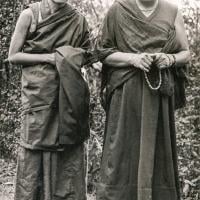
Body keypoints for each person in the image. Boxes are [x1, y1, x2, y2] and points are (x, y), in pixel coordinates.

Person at [97, 0, 190, 200]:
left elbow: (185, 53)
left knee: (157, 154)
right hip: (125, 96)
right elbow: (103, 53)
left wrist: (170, 59)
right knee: (120, 153)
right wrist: (133, 59)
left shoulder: (172, 11)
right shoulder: (117, 9)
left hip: (157, 99)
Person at [8, 0, 91, 199]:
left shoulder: (78, 20)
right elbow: (13, 56)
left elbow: (87, 55)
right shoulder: (30, 15)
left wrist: (68, 57)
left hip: (69, 95)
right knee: (34, 148)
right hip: (38, 96)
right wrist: (50, 58)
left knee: (68, 147)